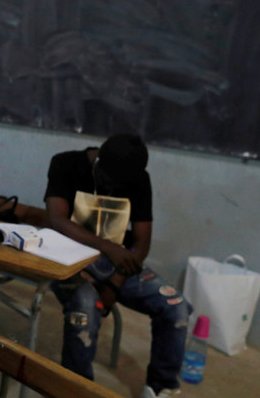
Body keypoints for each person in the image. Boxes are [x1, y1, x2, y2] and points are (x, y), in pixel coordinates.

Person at [43, 134, 191, 398]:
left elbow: (142, 242)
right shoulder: (66, 164)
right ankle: (75, 389)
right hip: (69, 262)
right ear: (98, 162)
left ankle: (161, 387)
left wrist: (115, 282)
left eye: (122, 185)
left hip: (119, 267)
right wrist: (109, 247)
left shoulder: (138, 179)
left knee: (175, 306)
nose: (115, 188)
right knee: (85, 308)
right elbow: (57, 219)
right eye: (110, 182)